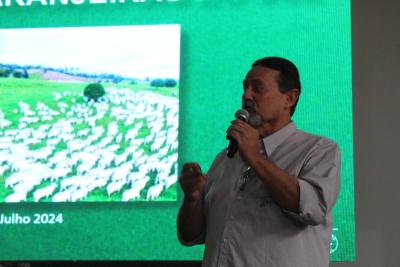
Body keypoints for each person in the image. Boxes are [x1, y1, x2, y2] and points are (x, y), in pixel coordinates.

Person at [177, 56, 341, 267]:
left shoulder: (318, 149)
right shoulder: (225, 158)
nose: (246, 95)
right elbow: (192, 236)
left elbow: (313, 209)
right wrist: (192, 198)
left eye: (258, 88)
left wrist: (254, 157)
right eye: (245, 87)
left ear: (289, 98)